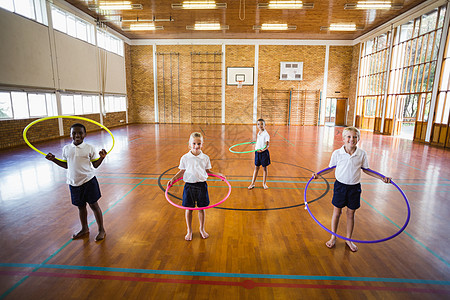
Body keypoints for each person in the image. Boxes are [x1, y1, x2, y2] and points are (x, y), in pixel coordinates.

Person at [312, 126, 390, 252]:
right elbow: (330, 168)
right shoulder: (337, 153)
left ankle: (349, 239)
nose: (351, 139)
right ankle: (333, 237)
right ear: (343, 138)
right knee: (337, 213)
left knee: (351, 214)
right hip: (340, 187)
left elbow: (366, 170)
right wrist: (318, 175)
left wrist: (382, 178)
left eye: (355, 137)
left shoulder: (361, 154)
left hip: (354, 188)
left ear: (358, 139)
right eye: (348, 136)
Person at [46, 123, 107, 241]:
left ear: (85, 134)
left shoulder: (89, 148)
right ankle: (85, 228)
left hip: (89, 181)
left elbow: (95, 165)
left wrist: (101, 158)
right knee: (81, 207)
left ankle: (101, 230)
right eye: (74, 133)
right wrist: (53, 160)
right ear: (70, 134)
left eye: (80, 133)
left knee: (94, 205)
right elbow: (66, 165)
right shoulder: (66, 149)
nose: (77, 135)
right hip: (74, 183)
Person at [167, 132, 225, 241]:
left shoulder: (205, 158)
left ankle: (202, 229)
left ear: (202, 144)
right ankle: (189, 230)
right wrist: (173, 179)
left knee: (201, 208)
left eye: (199, 143)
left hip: (202, 186)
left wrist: (219, 174)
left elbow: (208, 171)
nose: (196, 146)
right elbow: (182, 171)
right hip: (189, 186)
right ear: (189, 144)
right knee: (189, 209)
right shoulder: (185, 158)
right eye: (194, 143)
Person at [248, 118, 270, 190]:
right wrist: (254, 142)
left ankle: (264, 183)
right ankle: (252, 183)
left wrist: (262, 150)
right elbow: (259, 141)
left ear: (264, 125)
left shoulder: (266, 134)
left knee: (264, 169)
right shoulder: (259, 133)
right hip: (257, 152)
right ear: (257, 125)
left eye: (261, 124)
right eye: (258, 124)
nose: (260, 125)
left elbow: (267, 145)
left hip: (264, 153)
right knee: (256, 168)